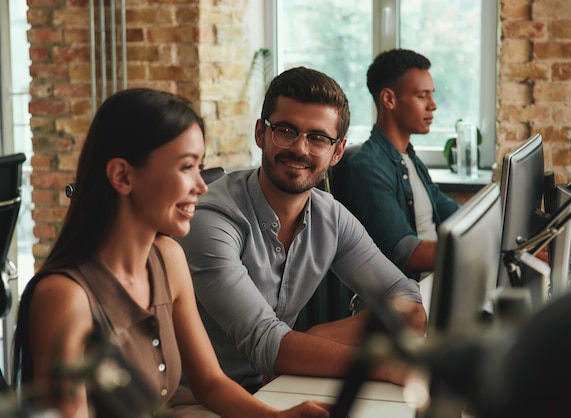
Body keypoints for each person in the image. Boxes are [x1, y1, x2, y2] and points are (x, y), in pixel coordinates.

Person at [11, 88, 333, 418]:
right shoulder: (65, 296)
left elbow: (208, 382)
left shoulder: (168, 258)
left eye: (200, 166)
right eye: (186, 167)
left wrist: (279, 417)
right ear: (122, 175)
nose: (201, 186)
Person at [176, 66, 428, 394]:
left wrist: (308, 343)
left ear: (337, 151)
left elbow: (410, 307)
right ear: (260, 134)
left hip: (284, 383)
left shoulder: (331, 216)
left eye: (318, 138)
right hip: (201, 400)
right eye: (285, 130)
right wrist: (380, 365)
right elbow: (265, 342)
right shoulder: (212, 218)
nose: (300, 148)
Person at [344, 49, 460, 281]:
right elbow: (406, 254)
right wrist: (485, 248)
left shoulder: (409, 158)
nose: (433, 105)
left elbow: (458, 216)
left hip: (439, 282)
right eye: (422, 96)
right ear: (389, 99)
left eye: (432, 95)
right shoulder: (367, 166)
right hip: (411, 299)